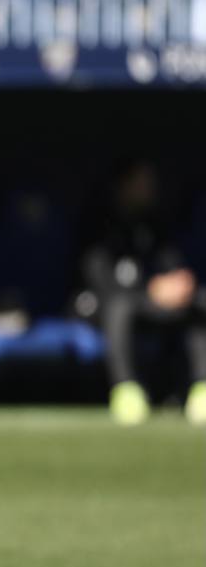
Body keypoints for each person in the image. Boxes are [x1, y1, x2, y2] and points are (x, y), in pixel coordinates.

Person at [75, 160, 206, 425]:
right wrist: (150, 289)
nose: (148, 189)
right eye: (141, 183)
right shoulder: (99, 222)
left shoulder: (154, 223)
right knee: (119, 306)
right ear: (123, 186)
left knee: (197, 302)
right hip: (97, 305)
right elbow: (100, 280)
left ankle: (200, 388)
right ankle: (127, 391)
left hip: (147, 303)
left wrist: (178, 283)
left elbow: (172, 265)